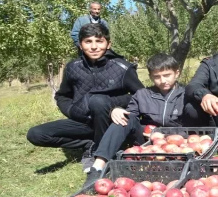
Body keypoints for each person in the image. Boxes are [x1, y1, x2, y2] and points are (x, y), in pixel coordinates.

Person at [27, 23, 143, 172]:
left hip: (112, 122)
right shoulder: (72, 67)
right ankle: (90, 143)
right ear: (81, 45)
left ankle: (100, 154)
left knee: (98, 101)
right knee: (36, 134)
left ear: (108, 44)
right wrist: (72, 111)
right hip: (84, 121)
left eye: (99, 41)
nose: (94, 46)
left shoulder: (123, 68)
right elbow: (62, 96)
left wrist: (115, 106)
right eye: (88, 42)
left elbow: (140, 95)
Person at [84, 53, 184, 185]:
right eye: (157, 77)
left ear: (177, 73)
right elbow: (131, 116)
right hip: (147, 141)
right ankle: (97, 167)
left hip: (178, 143)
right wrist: (117, 110)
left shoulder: (186, 94)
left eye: (167, 75)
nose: (163, 80)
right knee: (124, 118)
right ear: (150, 77)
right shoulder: (143, 94)